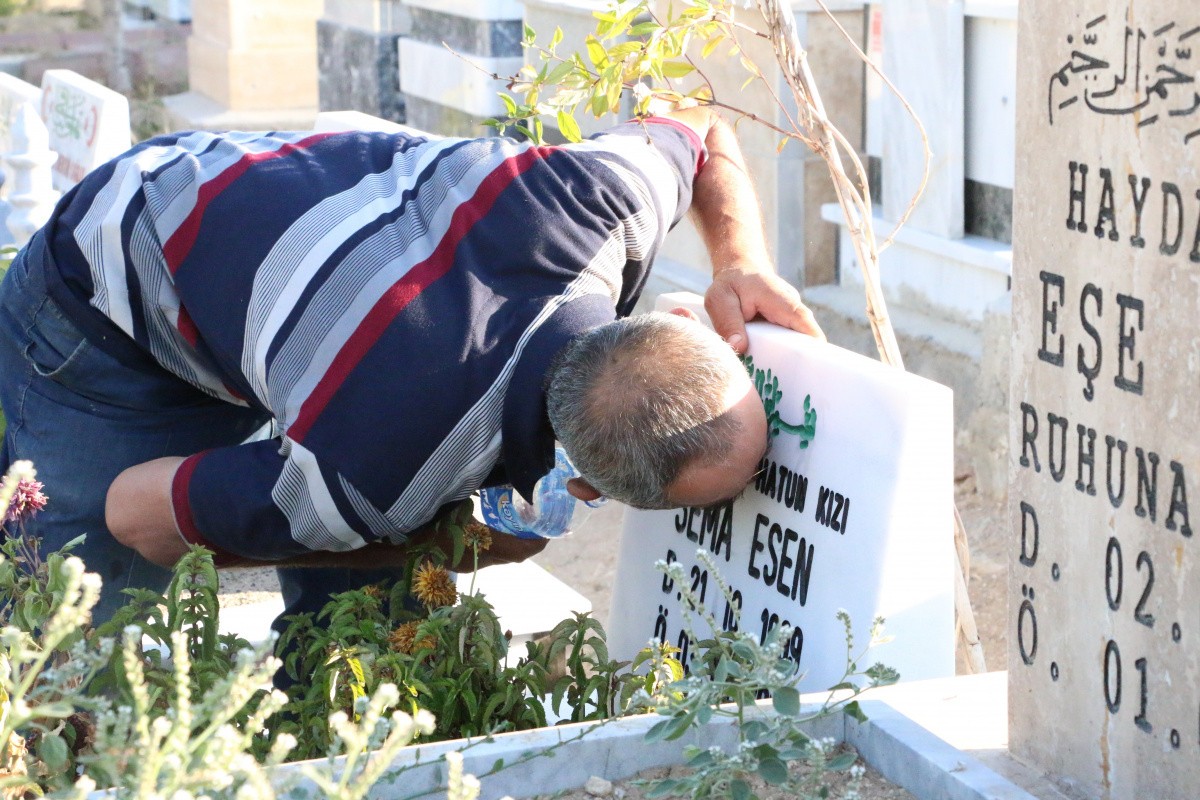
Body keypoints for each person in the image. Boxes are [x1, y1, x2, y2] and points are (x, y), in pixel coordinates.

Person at [0, 105, 823, 624]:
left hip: (250, 210)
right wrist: (433, 542)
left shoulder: (596, 204)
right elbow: (132, 512)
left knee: (358, 568)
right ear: (587, 489)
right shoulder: (374, 470)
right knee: (70, 635)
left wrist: (737, 261)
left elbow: (693, 122)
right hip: (103, 302)